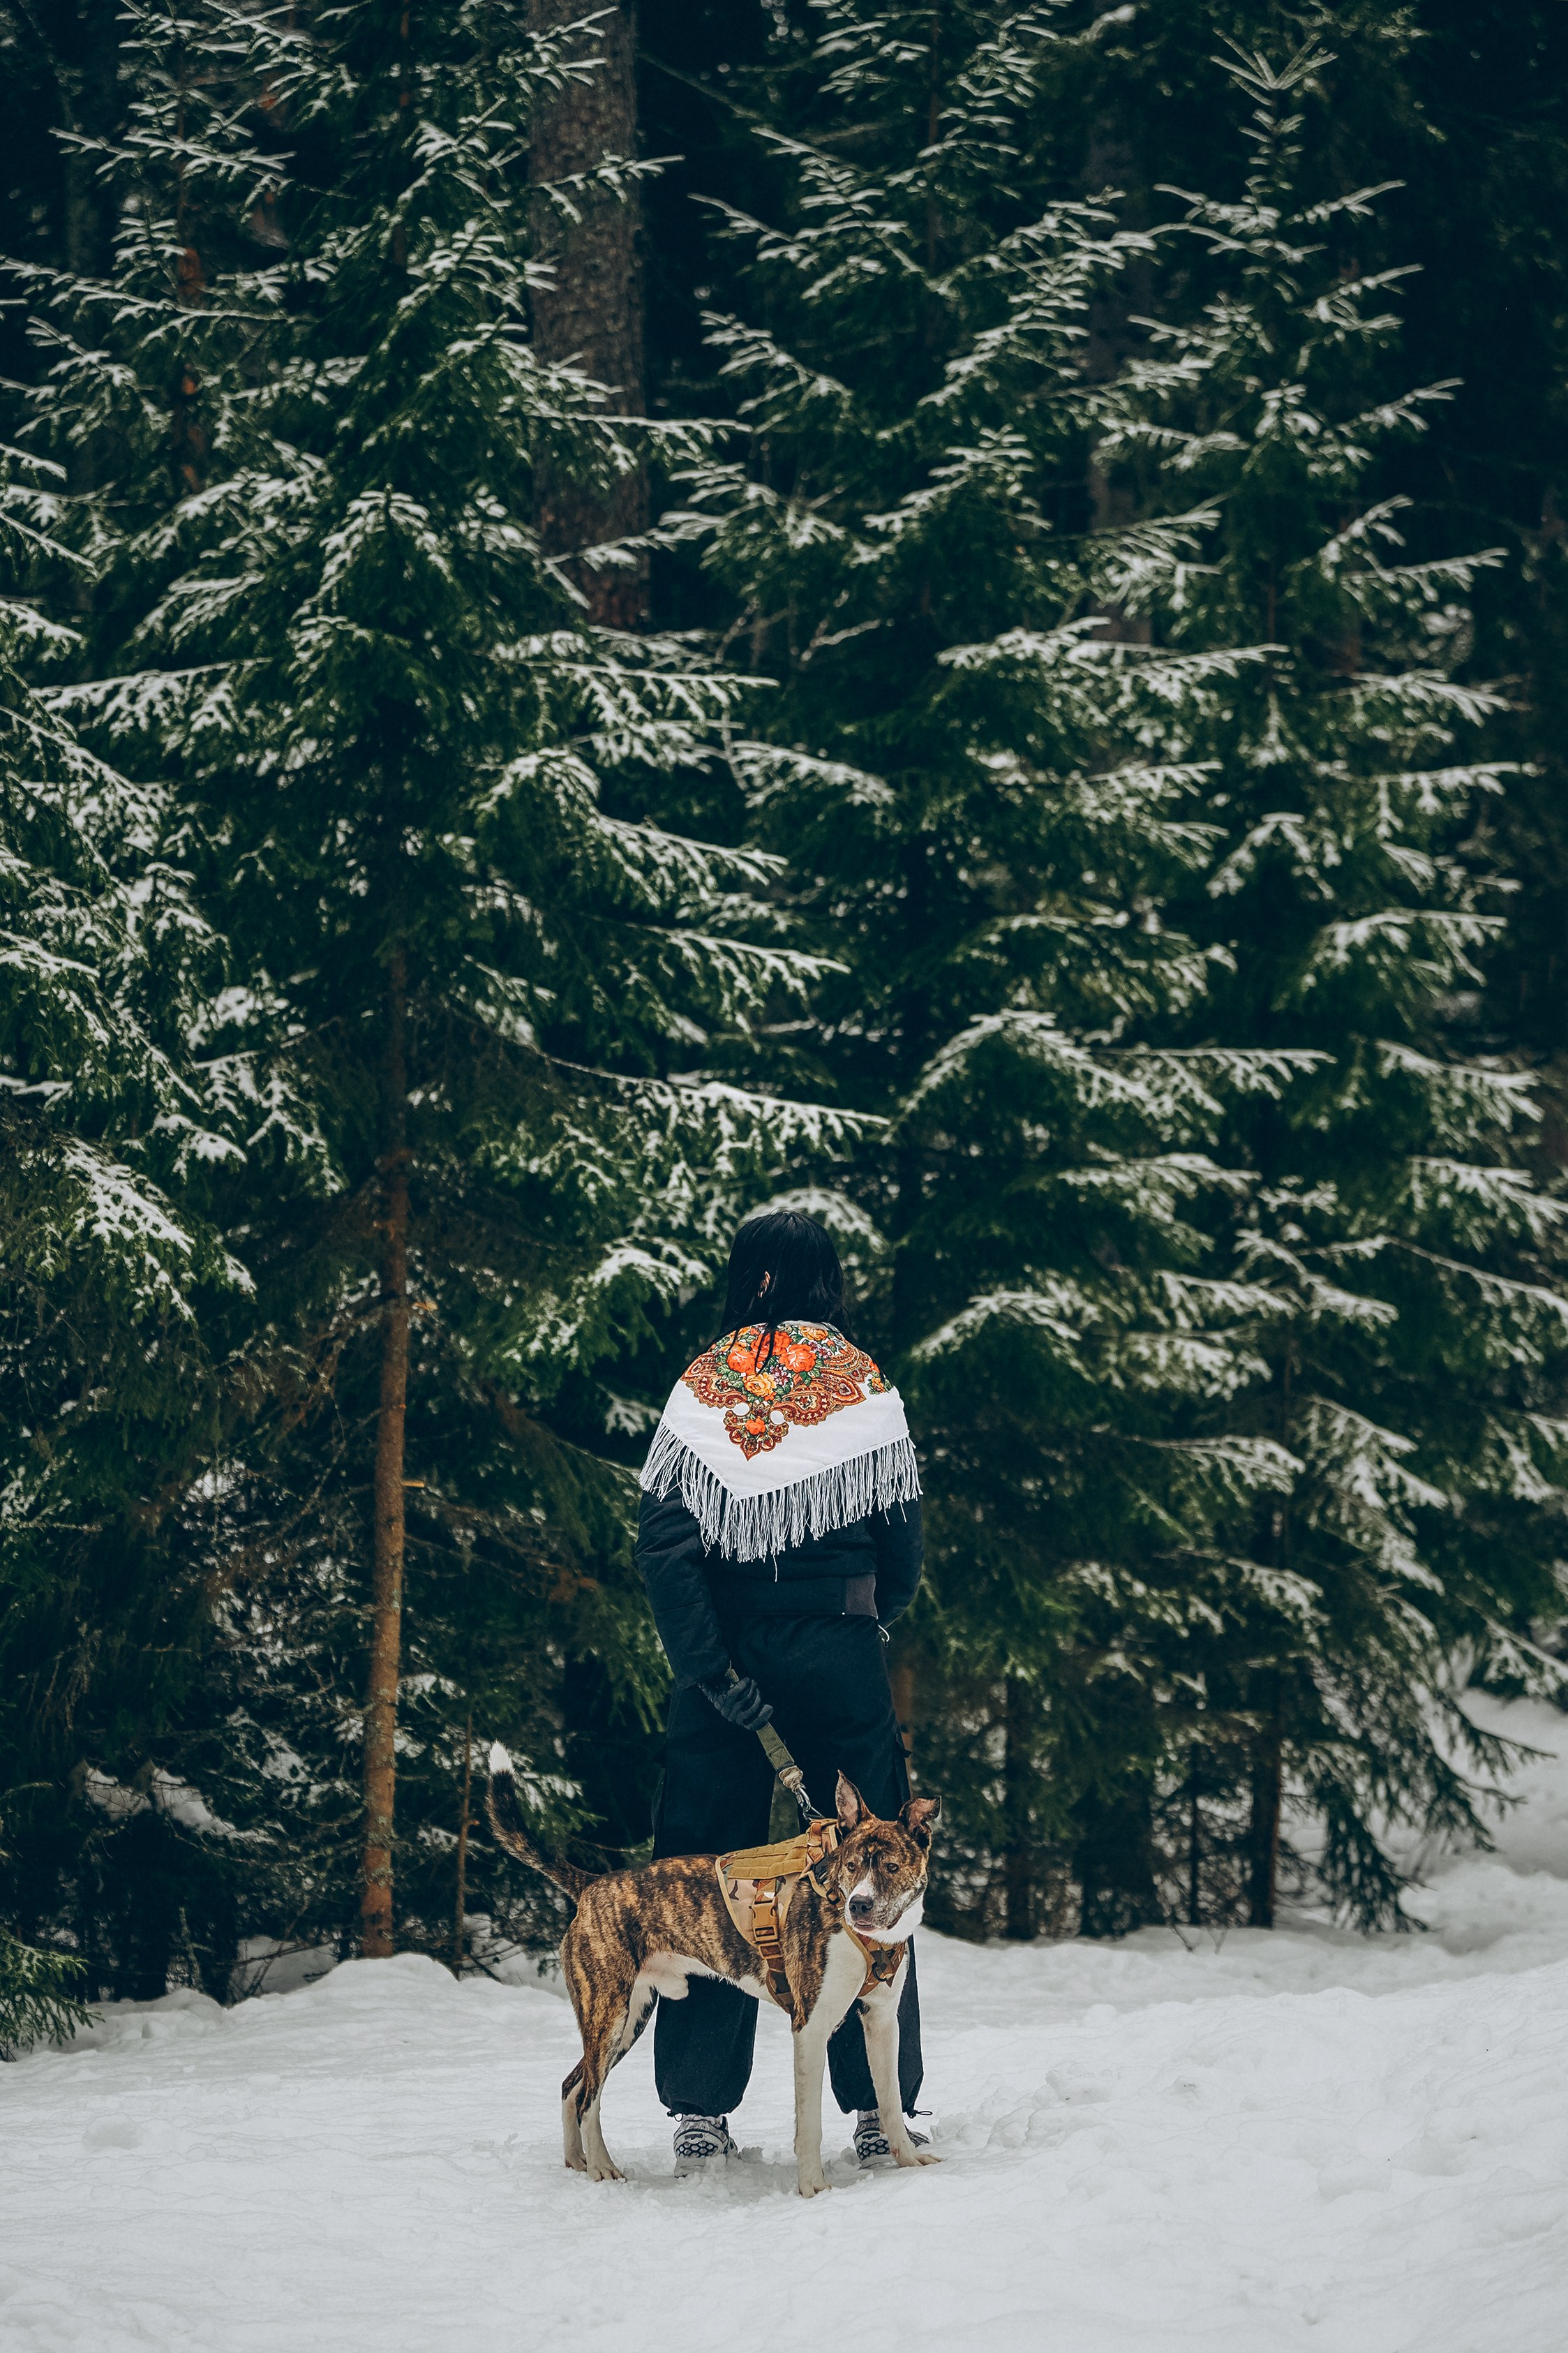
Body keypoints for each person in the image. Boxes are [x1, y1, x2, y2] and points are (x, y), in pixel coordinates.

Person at [635, 1208, 926, 2173]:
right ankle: (881, 2109)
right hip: (839, 1650)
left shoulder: (705, 1386)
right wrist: (853, 1625)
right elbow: (903, 1552)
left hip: (726, 1654)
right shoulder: (861, 1383)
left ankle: (700, 2112)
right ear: (822, 1281)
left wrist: (711, 1668)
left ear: (752, 1278)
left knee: (706, 1872)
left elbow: (666, 1552)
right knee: (871, 1864)